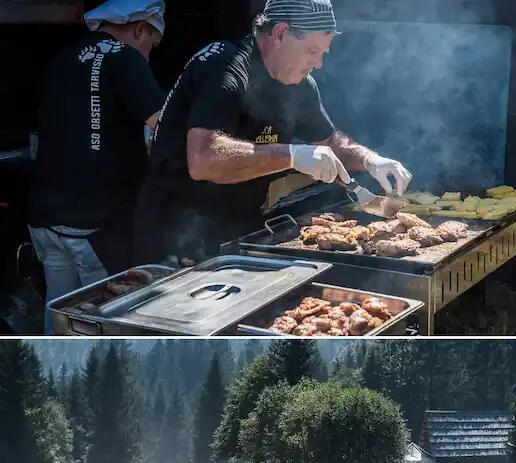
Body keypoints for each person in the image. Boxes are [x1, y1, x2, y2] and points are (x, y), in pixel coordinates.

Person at [133, 0, 412, 264]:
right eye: (312, 51)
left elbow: (328, 140)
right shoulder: (223, 67)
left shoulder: (301, 85)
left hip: (240, 224)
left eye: (323, 53)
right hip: (176, 231)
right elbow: (203, 159)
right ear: (280, 33)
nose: (319, 64)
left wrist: (370, 160)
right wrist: (292, 155)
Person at [27, 0, 166, 333]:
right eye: (152, 43)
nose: (149, 53)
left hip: (46, 219)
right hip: (91, 224)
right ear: (139, 27)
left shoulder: (61, 59)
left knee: (59, 315)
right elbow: (163, 124)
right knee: (99, 324)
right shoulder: (125, 58)